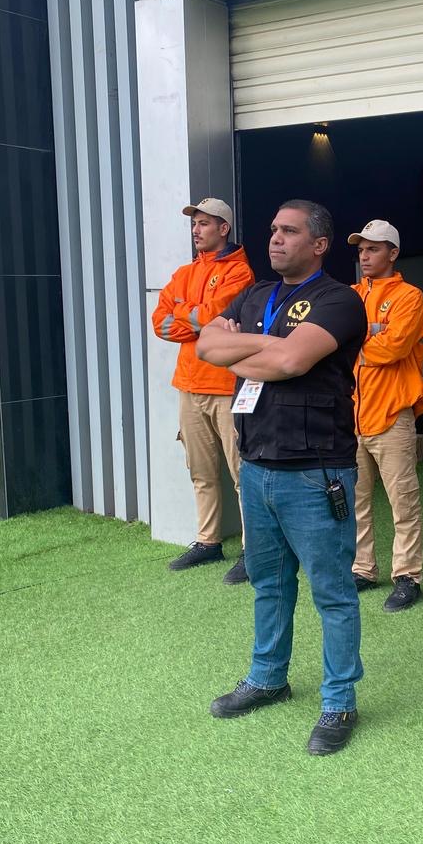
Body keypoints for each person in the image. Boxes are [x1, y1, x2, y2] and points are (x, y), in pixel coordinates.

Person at [197, 199, 367, 756]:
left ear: (318, 244)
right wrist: (271, 347)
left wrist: (250, 352)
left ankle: (339, 702)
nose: (275, 239)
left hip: (316, 472)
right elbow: (206, 346)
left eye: (289, 231)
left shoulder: (339, 301)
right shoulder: (255, 295)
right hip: (257, 468)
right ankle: (268, 678)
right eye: (273, 230)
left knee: (332, 594)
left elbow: (292, 363)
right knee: (268, 584)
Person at [151, 198, 254, 580]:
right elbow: (160, 323)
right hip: (189, 385)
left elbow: (214, 316)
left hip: (227, 386)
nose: (196, 230)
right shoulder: (183, 272)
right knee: (200, 470)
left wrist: (188, 313)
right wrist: (195, 317)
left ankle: (253, 550)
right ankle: (208, 542)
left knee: (243, 473)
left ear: (223, 228)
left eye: (204, 223)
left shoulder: (239, 272)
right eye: (194, 224)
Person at [347, 220, 423, 612]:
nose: (365, 256)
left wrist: (353, 343)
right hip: (352, 415)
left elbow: (392, 348)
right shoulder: (350, 295)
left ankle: (407, 576)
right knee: (355, 500)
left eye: (374, 249)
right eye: (361, 250)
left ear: (392, 253)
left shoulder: (410, 297)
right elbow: (333, 344)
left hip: (394, 413)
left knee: (403, 502)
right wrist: (368, 337)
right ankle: (363, 568)